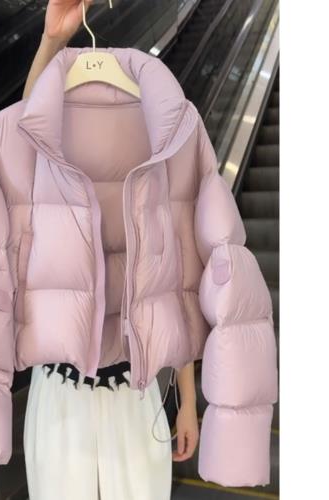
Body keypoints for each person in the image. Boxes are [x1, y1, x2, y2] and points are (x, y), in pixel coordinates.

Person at [21, 2, 200, 499]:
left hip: (134, 393)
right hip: (59, 392)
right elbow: (26, 131)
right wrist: (53, 40)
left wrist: (187, 401)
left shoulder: (156, 181)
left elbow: (176, 295)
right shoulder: (54, 175)